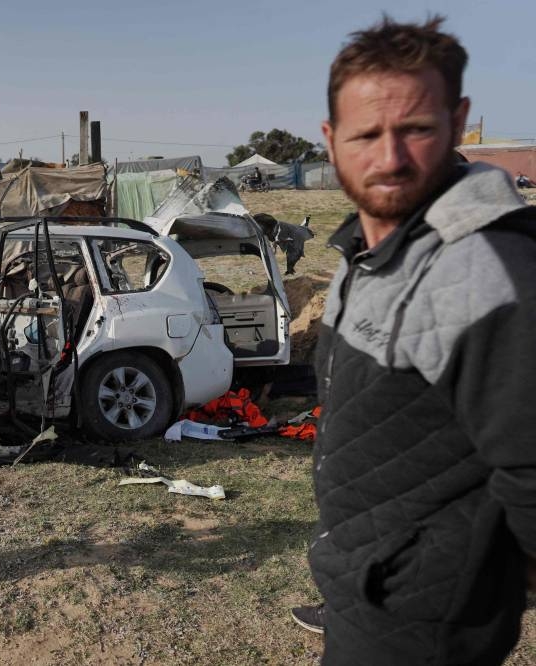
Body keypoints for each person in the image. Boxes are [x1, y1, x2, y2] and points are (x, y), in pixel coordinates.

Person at [300, 16, 536, 664]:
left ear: (458, 123)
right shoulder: (361, 250)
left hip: (424, 625)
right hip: (361, 592)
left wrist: (475, 577)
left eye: (417, 130)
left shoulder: (487, 268)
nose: (390, 159)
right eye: (366, 134)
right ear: (330, 139)